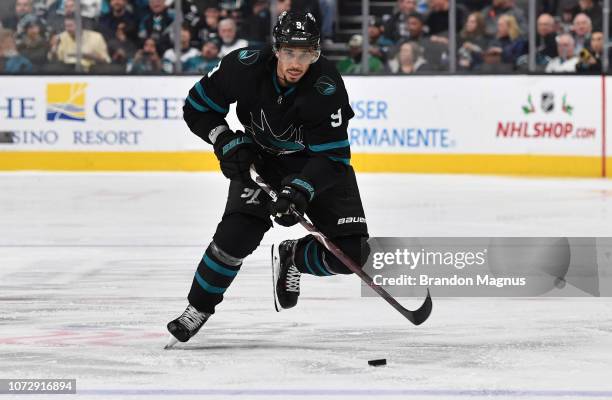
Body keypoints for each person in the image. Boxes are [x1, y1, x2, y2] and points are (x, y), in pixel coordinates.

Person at [167, 11, 369, 344]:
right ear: (276, 49)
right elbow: (197, 107)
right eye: (289, 52)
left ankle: (292, 255)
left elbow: (332, 158)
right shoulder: (243, 66)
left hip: (313, 165)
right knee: (235, 238)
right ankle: (198, 309)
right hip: (260, 161)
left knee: (352, 253)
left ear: (316, 53)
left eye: (305, 54)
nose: (296, 62)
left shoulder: (326, 86)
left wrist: (300, 190)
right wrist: (224, 139)